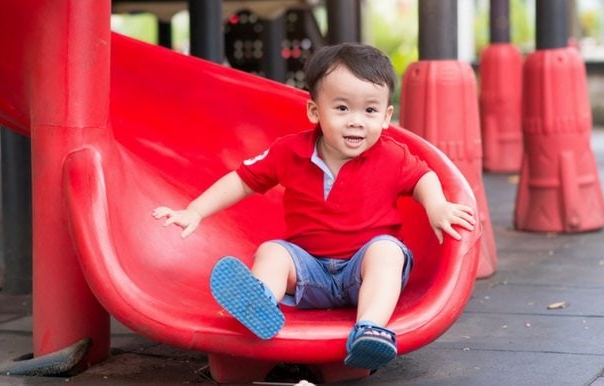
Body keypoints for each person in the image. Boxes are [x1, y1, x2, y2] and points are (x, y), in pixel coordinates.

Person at [153, 43, 476, 371]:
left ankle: (370, 328)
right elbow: (242, 180)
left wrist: (436, 206)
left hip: (361, 271)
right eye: (341, 108)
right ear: (314, 111)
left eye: (369, 111)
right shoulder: (290, 152)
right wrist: (195, 211)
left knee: (388, 252)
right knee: (272, 252)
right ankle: (259, 302)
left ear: (386, 117)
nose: (356, 122)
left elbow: (424, 177)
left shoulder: (391, 156)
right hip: (310, 273)